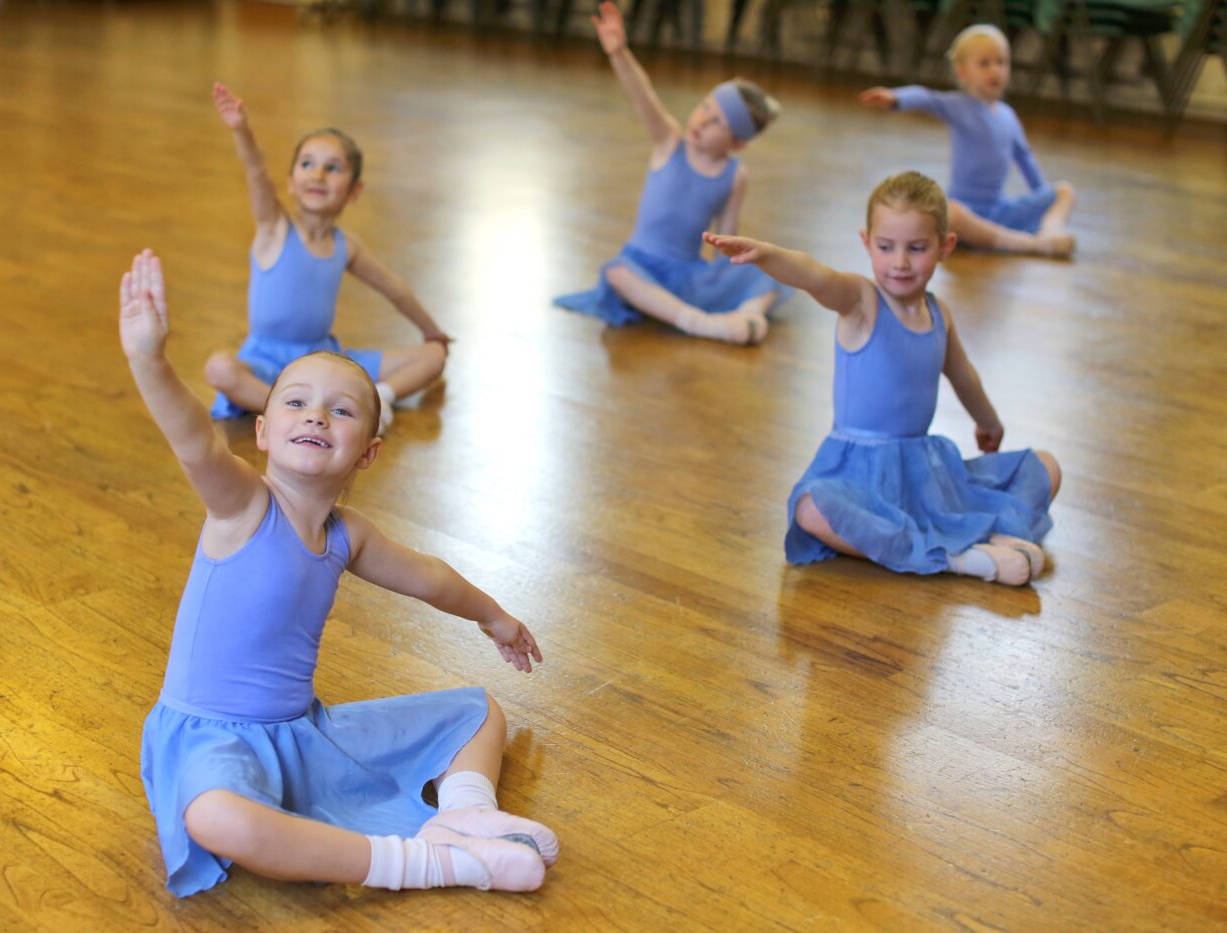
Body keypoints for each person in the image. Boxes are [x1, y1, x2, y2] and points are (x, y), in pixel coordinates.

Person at [119, 249, 558, 897]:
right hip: (214, 746)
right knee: (215, 817)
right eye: (297, 402)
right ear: (263, 432)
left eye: (342, 410)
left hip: (304, 738)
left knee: (476, 708)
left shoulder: (346, 536)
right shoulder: (243, 504)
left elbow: (430, 577)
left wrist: (493, 615)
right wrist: (149, 360)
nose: (317, 415)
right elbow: (194, 439)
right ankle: (429, 864)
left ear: (369, 452)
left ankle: (465, 814)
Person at [706, 172, 1062, 584]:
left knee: (1045, 466)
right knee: (810, 510)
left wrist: (988, 421)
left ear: (945, 246)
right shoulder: (861, 302)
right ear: (866, 242)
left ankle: (990, 537)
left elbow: (963, 375)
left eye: (917, 248)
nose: (900, 262)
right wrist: (767, 255)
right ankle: (958, 559)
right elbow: (814, 275)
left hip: (925, 473)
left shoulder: (938, 313)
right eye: (886, 247)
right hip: (858, 475)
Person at [205, 82, 450, 434]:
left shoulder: (345, 246)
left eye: (333, 168)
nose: (318, 174)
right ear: (290, 182)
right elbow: (256, 174)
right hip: (266, 362)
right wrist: (242, 130)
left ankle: (379, 400)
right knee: (219, 369)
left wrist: (433, 331)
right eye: (308, 164)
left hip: (324, 360)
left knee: (433, 358)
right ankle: (283, 408)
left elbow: (394, 288)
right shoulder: (275, 229)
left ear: (354, 191)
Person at [553, 1, 791, 345]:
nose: (701, 122)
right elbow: (642, 96)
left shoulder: (734, 174)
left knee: (775, 268)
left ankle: (748, 313)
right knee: (617, 274)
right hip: (640, 267)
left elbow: (727, 238)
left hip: (686, 275)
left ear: (736, 144)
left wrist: (738, 269)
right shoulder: (669, 141)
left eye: (716, 124)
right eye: (704, 108)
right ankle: (699, 322)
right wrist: (619, 53)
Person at [858, 25, 1076, 258]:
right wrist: (897, 98)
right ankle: (1026, 244)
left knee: (1064, 191)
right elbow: (927, 98)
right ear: (963, 72)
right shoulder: (959, 106)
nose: (996, 70)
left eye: (1002, 62)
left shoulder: (1008, 115)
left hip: (1000, 211)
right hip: (966, 212)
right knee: (951, 214)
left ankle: (1049, 232)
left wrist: (1041, 200)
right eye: (985, 64)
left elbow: (1025, 158)